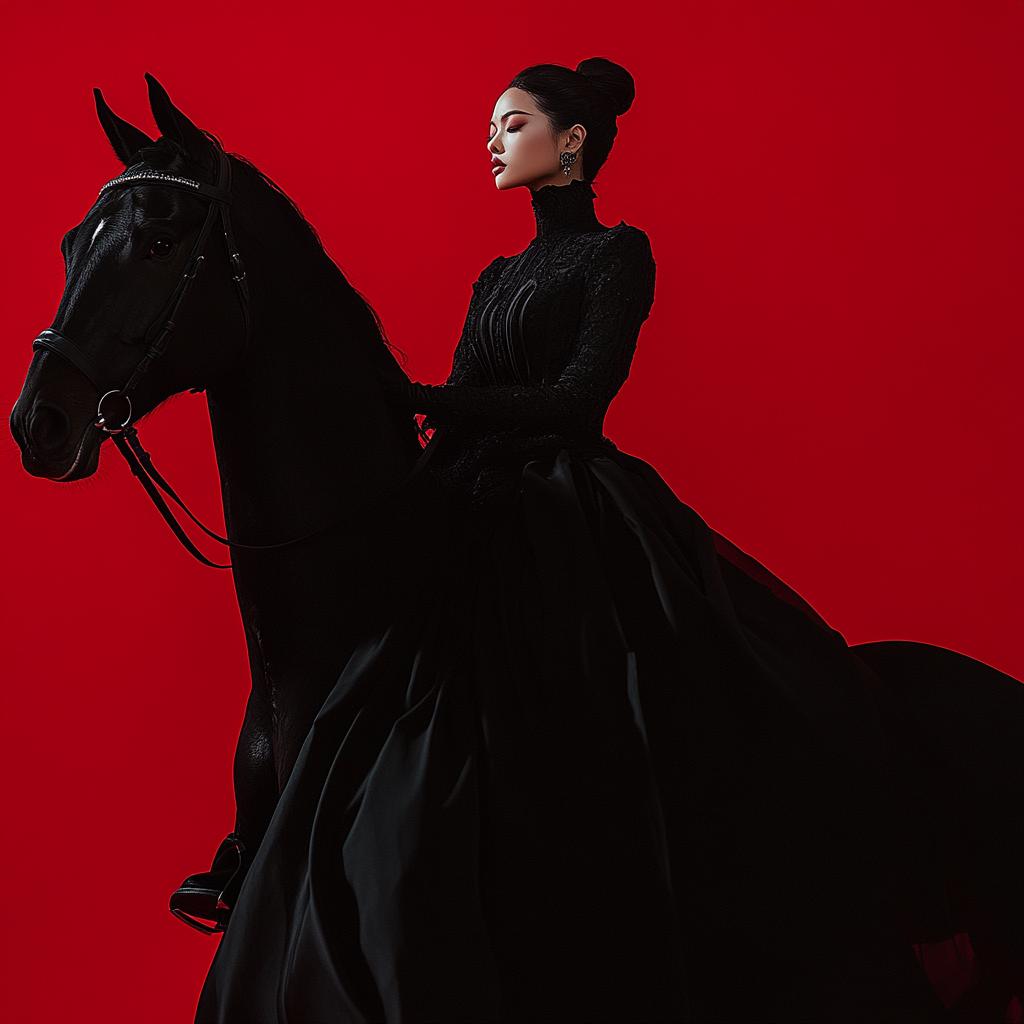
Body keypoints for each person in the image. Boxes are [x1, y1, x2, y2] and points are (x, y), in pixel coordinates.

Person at [194, 58, 1024, 1023]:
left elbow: (577, 400)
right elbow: (463, 400)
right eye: (492, 126)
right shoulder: (498, 273)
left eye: (512, 123)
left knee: (628, 679)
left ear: (572, 141)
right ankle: (263, 859)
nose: (493, 141)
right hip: (470, 488)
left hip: (566, 501)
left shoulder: (617, 256)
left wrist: (425, 398)